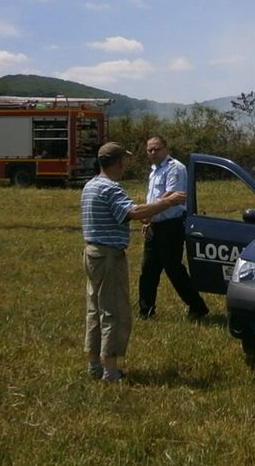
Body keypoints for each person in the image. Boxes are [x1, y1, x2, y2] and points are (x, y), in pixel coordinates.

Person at [81, 141, 184, 382]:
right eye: (124, 160)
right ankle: (110, 370)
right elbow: (134, 213)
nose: (125, 165)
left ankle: (94, 365)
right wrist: (169, 201)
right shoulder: (110, 188)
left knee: (95, 310)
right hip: (108, 257)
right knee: (114, 311)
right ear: (117, 163)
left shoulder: (90, 185)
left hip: (92, 254)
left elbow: (122, 214)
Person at [138, 135, 210, 320]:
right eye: (149, 150)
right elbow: (154, 198)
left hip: (171, 226)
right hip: (155, 225)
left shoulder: (175, 168)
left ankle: (198, 307)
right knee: (148, 269)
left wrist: (148, 214)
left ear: (166, 149)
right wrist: (150, 220)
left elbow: (171, 196)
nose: (153, 153)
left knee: (173, 269)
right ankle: (146, 311)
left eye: (156, 149)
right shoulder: (154, 171)